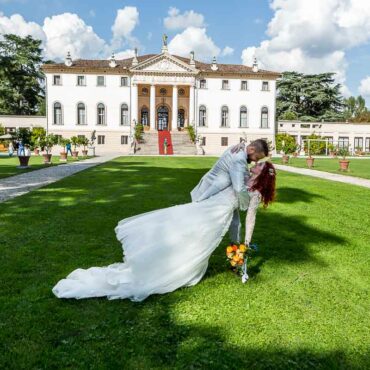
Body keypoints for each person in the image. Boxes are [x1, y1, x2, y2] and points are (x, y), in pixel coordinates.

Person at [52, 152, 276, 302]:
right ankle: (159, 262)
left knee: (193, 242)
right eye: (257, 163)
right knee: (180, 228)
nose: (254, 165)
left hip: (217, 218)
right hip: (207, 209)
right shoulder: (242, 176)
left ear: (263, 175)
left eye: (259, 166)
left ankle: (173, 264)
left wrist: (245, 242)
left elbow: (248, 217)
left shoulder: (255, 192)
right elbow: (226, 166)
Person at [191, 139, 268, 243]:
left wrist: (242, 144)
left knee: (235, 224)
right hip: (210, 192)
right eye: (257, 158)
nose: (255, 161)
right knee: (204, 224)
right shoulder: (239, 158)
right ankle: (196, 244)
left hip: (222, 193)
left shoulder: (237, 149)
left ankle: (237, 251)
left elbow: (242, 176)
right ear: (251, 149)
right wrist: (245, 205)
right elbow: (239, 187)